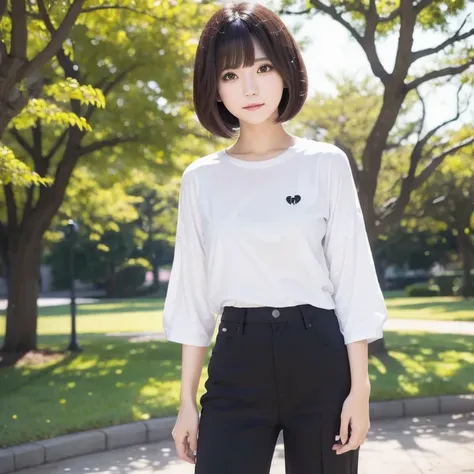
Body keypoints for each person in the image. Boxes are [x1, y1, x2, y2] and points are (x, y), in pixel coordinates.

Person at [162, 2, 388, 473]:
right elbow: (192, 296)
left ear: (286, 71)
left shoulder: (325, 164)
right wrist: (186, 400)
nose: (249, 87)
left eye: (263, 67)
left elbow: (352, 281)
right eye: (230, 74)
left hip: (320, 357)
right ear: (214, 86)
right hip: (236, 359)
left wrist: (360, 391)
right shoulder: (201, 179)